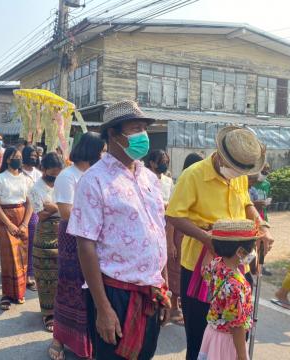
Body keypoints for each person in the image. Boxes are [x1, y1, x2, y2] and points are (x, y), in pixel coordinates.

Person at [68, 100, 169, 360]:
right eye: (135, 129)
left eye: (144, 129)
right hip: (115, 293)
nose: (143, 137)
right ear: (113, 134)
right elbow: (85, 245)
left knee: (145, 354)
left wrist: (164, 284)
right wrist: (103, 307)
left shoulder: (149, 178)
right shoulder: (94, 180)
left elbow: (158, 231)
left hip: (151, 289)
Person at [166, 126, 274, 360]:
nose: (238, 175)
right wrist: (206, 238)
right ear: (221, 156)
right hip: (201, 268)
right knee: (200, 337)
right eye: (234, 169)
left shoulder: (240, 176)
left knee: (237, 334)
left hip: (238, 264)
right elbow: (173, 215)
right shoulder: (193, 175)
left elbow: (247, 205)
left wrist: (262, 226)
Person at [49, 132, 106, 360]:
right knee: (70, 286)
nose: (104, 155)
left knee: (92, 288)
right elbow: (65, 212)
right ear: (91, 151)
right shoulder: (68, 175)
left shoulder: (97, 174)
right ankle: (59, 338)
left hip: (95, 238)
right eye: (101, 150)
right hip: (73, 238)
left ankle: (89, 338)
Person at [198, 219, 258, 360]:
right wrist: (243, 356)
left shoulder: (216, 265)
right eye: (251, 247)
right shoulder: (236, 286)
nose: (252, 252)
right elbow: (236, 326)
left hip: (212, 334)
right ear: (240, 251)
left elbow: (204, 269)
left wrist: (209, 247)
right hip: (227, 341)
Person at [0, 147, 33, 311]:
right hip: (5, 218)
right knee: (9, 258)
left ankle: (20, 292)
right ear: (8, 159)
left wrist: (24, 224)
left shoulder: (26, 179)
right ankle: (7, 294)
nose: (19, 160)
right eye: (15, 157)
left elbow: (30, 203)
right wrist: (9, 224)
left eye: (20, 157)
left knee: (22, 255)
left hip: (22, 216)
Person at [167, 152, 204, 326]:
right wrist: (171, 244)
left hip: (190, 235)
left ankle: (179, 305)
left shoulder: (199, 183)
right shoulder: (183, 183)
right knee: (176, 272)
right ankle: (173, 307)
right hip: (179, 235)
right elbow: (172, 218)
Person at [29, 152, 64, 333]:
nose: (56, 176)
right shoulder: (36, 188)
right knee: (45, 277)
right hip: (45, 235)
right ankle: (48, 313)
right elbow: (41, 214)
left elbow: (69, 206)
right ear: (44, 169)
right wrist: (60, 207)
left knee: (63, 274)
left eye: (59, 172)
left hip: (64, 232)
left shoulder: (64, 184)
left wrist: (53, 207)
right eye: (53, 172)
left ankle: (62, 309)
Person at [22, 145, 43, 292]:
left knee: (31, 244)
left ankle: (30, 275)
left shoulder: (38, 174)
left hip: (35, 212)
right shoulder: (18, 172)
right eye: (31, 155)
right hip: (18, 209)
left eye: (36, 156)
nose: (34, 158)